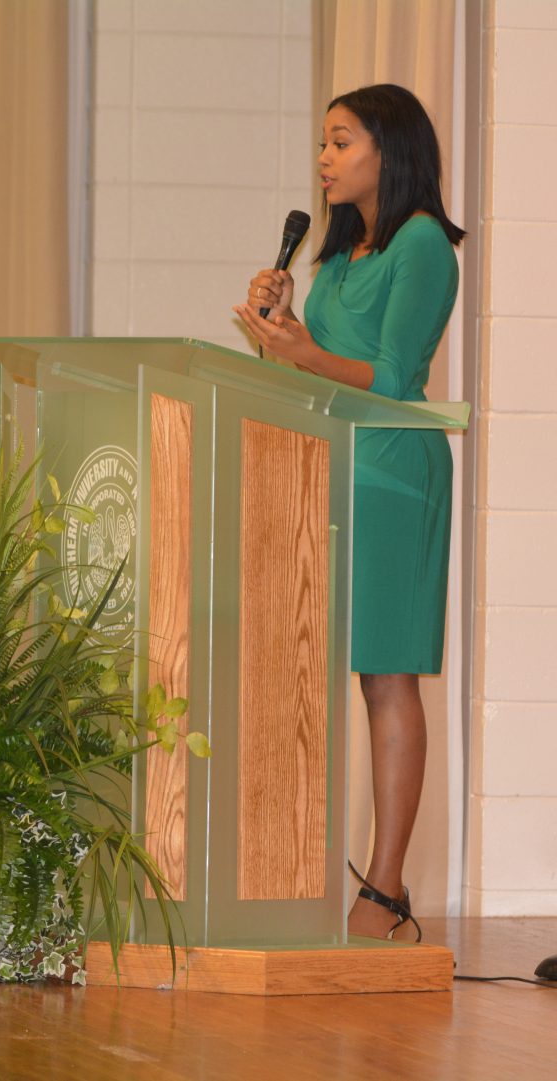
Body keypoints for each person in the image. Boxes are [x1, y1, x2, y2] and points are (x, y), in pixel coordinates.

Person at [233, 83, 465, 941]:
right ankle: (286, 868)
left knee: (386, 673)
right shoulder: (337, 258)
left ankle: (388, 886)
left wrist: (304, 351)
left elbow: (396, 377)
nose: (324, 159)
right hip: (325, 470)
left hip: (393, 471)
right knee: (314, 666)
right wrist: (284, 330)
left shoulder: (423, 247)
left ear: (388, 148)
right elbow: (319, 371)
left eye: (340, 142)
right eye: (323, 145)